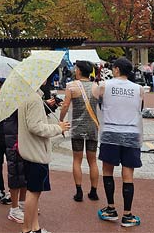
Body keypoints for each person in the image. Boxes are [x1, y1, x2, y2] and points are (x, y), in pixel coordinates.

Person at [92, 57, 143, 228]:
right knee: (128, 174)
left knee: (108, 171)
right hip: (131, 132)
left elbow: (95, 98)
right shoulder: (139, 89)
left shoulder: (104, 86)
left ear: (116, 69)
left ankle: (111, 208)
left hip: (110, 132)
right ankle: (127, 215)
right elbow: (140, 109)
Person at [18, 76, 70, 233]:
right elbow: (36, 127)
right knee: (33, 192)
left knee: (34, 191)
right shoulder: (33, 99)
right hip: (36, 152)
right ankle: (27, 229)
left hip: (31, 151)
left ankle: (35, 227)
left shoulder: (30, 96)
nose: (46, 78)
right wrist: (58, 128)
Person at [59, 60, 100, 202]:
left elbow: (65, 105)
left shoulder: (71, 86)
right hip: (92, 126)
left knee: (77, 160)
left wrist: (61, 120)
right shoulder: (96, 87)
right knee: (92, 160)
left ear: (79, 71)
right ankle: (94, 191)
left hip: (77, 126)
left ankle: (79, 191)